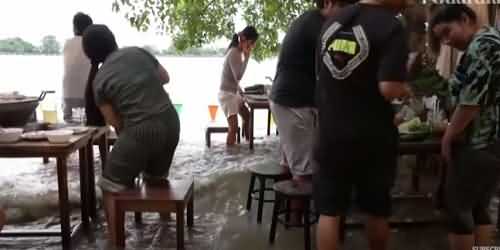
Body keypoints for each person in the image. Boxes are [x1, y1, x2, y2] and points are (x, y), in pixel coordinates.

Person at [313, 0, 411, 249]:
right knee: (376, 210)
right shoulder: (391, 26)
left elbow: (322, 78)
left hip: (330, 132)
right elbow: (388, 88)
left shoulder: (331, 23)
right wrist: (405, 88)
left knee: (329, 211)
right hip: (372, 136)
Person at [269, 0, 356, 222]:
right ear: (328, 3)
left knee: (291, 161)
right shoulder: (318, 25)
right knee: (305, 171)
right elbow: (338, 62)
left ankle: (285, 215)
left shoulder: (310, 20)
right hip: (294, 101)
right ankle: (299, 223)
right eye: (345, 7)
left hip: (286, 98)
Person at [430, 5, 500, 250]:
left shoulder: (484, 46)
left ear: (465, 19)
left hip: (480, 141)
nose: (447, 42)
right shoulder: (488, 42)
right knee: (480, 208)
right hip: (489, 143)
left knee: (458, 211)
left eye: (448, 32)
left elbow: (471, 102)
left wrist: (449, 135)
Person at [81, 24, 180, 192]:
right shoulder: (137, 52)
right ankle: (165, 218)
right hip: (171, 122)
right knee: (156, 181)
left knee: (109, 186)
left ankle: (118, 218)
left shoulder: (99, 79)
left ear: (89, 53)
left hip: (141, 131)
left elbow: (115, 123)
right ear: (112, 39)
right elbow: (165, 78)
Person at [218, 26, 259, 145]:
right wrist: (247, 57)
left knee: (247, 116)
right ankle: (230, 158)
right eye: (252, 43)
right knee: (233, 128)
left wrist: (239, 90)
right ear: (244, 40)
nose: (252, 46)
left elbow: (234, 79)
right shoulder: (234, 53)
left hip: (233, 93)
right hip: (226, 95)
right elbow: (238, 76)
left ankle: (248, 144)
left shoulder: (237, 52)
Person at [62, 12, 93, 122]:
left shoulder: (67, 43)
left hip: (68, 93)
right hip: (87, 93)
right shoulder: (90, 42)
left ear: (74, 27)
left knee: (69, 124)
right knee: (90, 124)